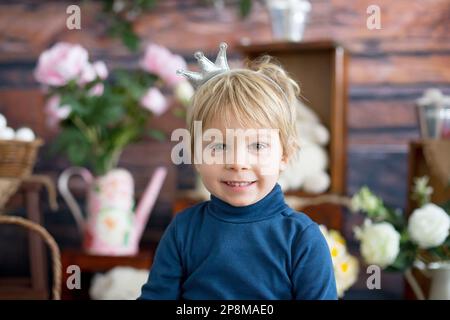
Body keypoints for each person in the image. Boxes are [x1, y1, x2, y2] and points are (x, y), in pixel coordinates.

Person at [139, 43, 337, 300]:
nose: (237, 162)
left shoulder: (302, 240)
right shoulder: (183, 231)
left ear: (285, 155)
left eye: (257, 145)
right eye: (219, 145)